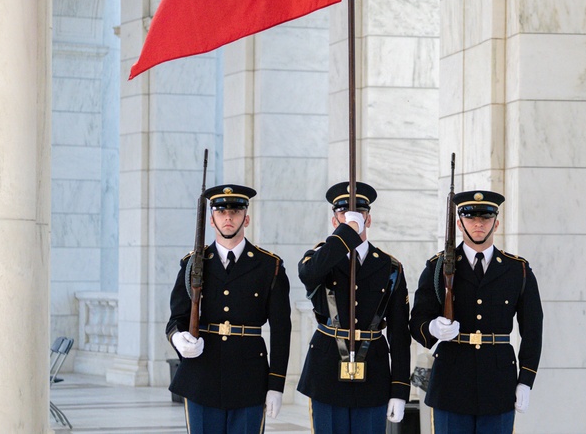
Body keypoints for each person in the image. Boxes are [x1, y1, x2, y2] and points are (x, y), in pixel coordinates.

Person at [409, 189, 543, 433]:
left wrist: (526, 379)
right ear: (459, 223)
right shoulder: (438, 267)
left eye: (486, 218)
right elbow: (417, 319)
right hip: (450, 384)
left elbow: (533, 330)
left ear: (497, 223)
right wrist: (432, 328)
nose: (479, 223)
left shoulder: (517, 270)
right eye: (471, 218)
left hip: (498, 384)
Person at [166, 184, 292, 433]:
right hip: (201, 377)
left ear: (246, 218)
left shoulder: (270, 266)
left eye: (235, 211)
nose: (228, 217)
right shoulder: (193, 263)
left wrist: (276, 385)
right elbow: (176, 319)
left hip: (249, 379)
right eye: (221, 211)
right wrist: (178, 339)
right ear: (211, 219)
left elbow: (281, 329)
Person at [297, 181, 411, 432]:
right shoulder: (319, 258)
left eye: (359, 213)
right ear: (334, 220)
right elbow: (309, 274)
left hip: (374, 372)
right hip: (326, 372)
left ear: (368, 219)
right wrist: (347, 233)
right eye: (344, 214)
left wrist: (400, 389)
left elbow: (400, 333)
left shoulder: (390, 267)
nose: (353, 218)